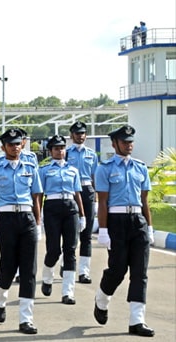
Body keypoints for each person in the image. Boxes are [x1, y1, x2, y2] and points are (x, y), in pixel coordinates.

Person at [93, 125, 155, 337]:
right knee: (118, 270)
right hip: (116, 221)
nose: (129, 145)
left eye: (131, 142)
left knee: (140, 272)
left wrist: (150, 226)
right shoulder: (105, 168)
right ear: (114, 144)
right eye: (125, 142)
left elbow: (145, 200)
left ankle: (137, 320)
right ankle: (102, 298)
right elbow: (102, 202)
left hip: (138, 221)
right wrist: (103, 230)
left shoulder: (140, 168)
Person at [0, 128, 43, 335]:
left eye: (18, 143)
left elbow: (37, 196)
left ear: (22, 145)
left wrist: (38, 224)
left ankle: (26, 319)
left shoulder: (30, 166)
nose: (15, 147)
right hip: (7, 218)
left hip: (26, 217)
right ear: (3, 147)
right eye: (10, 144)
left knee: (29, 270)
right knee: (8, 267)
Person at [38, 134, 84, 305]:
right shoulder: (43, 170)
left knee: (70, 250)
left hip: (70, 207)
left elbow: (77, 192)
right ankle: (48, 277)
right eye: (56, 148)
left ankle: (68, 292)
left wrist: (82, 214)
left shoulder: (73, 170)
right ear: (50, 151)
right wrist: (39, 214)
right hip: (52, 208)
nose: (60, 151)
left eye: (62, 148)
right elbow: (39, 194)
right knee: (54, 250)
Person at [65, 121, 98, 284]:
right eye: (77, 133)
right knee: (70, 232)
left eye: (83, 133)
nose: (81, 136)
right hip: (70, 192)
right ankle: (66, 263)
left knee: (87, 235)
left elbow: (95, 177)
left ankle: (84, 271)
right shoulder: (66, 153)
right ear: (72, 136)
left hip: (87, 191)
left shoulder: (92, 154)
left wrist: (96, 197)